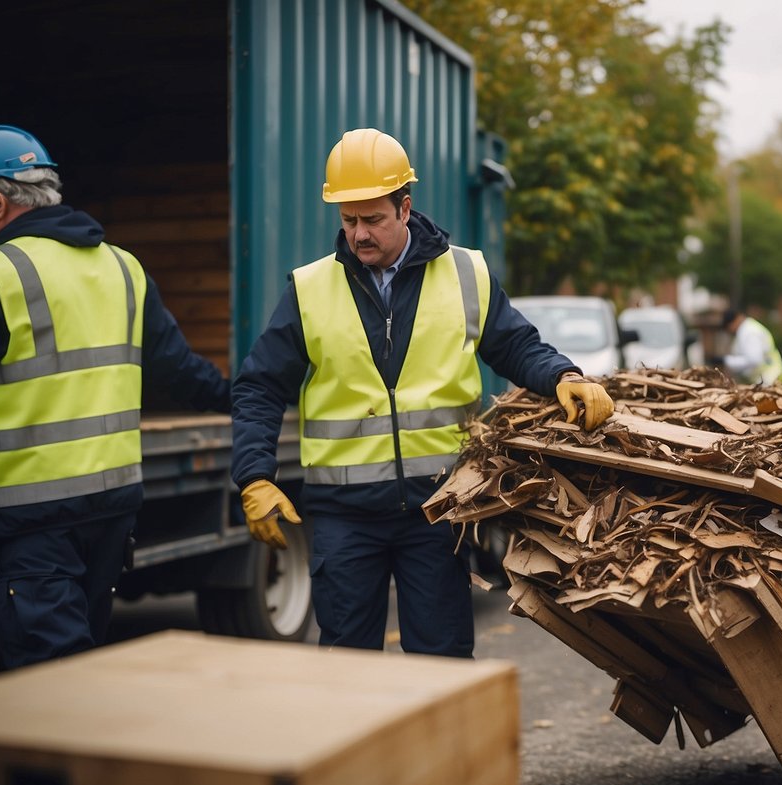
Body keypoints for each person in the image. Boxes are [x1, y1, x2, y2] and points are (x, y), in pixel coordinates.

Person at [231, 128, 613, 659]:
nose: (359, 234)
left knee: (441, 665)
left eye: (372, 219)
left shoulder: (465, 273)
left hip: (438, 511)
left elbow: (517, 346)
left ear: (405, 208)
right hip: (345, 518)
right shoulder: (310, 288)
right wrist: (254, 475)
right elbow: (259, 387)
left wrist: (564, 376)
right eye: (348, 220)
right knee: (346, 670)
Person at [0, 125, 231, 669]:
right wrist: (244, 398)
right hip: (111, 513)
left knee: (51, 684)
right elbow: (179, 371)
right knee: (76, 669)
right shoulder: (122, 266)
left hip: (28, 519)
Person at [721, 305, 782, 385]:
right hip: (768, 377)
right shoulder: (747, 329)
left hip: (769, 377)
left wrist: (726, 361)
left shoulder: (749, 332)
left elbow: (754, 360)